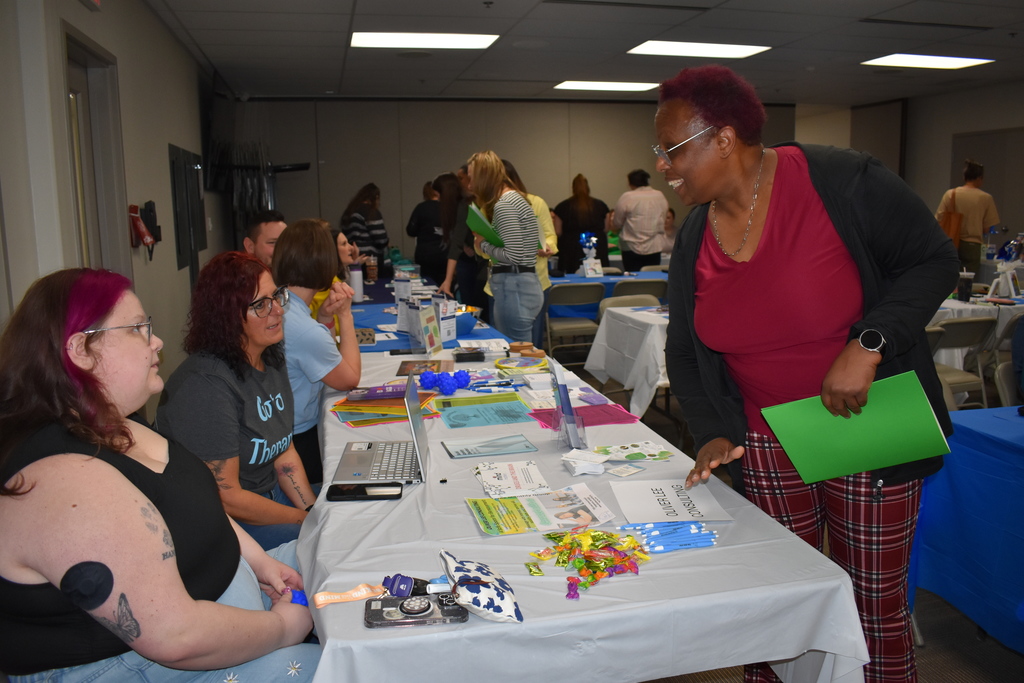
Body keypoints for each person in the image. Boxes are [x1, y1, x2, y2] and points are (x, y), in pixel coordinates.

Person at [656, 65, 959, 683]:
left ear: (723, 139)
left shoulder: (842, 180)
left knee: (872, 609)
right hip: (763, 440)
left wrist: (869, 343)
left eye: (672, 150)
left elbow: (932, 261)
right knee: (774, 605)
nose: (663, 165)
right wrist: (713, 430)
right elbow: (686, 350)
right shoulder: (695, 234)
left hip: (864, 425)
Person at [0, 268, 318, 680]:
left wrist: (260, 564)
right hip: (140, 664)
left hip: (223, 604)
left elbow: (196, 502)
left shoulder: (114, 422)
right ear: (80, 350)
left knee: (343, 555)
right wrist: (283, 628)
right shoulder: (65, 480)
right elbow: (175, 637)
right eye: (137, 329)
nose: (157, 342)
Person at [157, 252, 317, 550]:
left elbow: (284, 453)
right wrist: (305, 522)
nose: (278, 311)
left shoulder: (269, 355)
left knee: (352, 516)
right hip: (230, 524)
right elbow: (227, 495)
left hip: (270, 499)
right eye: (260, 305)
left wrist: (312, 511)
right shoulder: (205, 386)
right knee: (330, 544)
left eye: (277, 296)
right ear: (227, 316)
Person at [273, 219, 362, 485]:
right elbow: (349, 379)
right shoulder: (303, 329)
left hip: (282, 429)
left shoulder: (281, 304)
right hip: (297, 439)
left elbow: (308, 352)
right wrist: (345, 316)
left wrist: (324, 317)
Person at [467, 150, 544, 342]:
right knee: (520, 350)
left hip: (514, 286)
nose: (470, 186)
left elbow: (513, 255)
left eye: (471, 179)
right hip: (519, 284)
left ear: (483, 177)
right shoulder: (514, 199)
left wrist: (482, 244)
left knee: (518, 353)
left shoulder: (505, 204)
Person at [499, 159, 558, 350]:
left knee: (531, 347)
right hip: (499, 284)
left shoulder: (535, 202)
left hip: (534, 281)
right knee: (503, 345)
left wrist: (547, 247)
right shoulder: (489, 206)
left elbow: (550, 235)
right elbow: (482, 252)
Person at [437, 168, 489, 317]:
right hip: (478, 266)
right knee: (474, 307)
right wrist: (448, 279)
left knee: (483, 311)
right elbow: (457, 240)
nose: (461, 183)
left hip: (490, 267)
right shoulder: (466, 204)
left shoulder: (493, 203)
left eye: (463, 178)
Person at [935, 159, 1000, 274]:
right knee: (968, 281)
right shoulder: (986, 198)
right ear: (980, 178)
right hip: (972, 245)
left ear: (965, 177)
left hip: (950, 242)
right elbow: (986, 228)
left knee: (948, 276)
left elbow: (939, 219)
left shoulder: (951, 194)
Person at [611, 169, 669, 272]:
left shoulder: (628, 197)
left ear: (630, 183)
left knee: (633, 280)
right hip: (654, 246)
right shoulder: (660, 196)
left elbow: (617, 223)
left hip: (630, 246)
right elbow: (663, 217)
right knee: (652, 279)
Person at [553, 174, 611, 274]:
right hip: (596, 247)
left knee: (573, 277)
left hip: (571, 249)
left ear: (573, 188)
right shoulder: (601, 205)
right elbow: (606, 229)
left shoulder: (562, 207)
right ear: (588, 187)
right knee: (597, 275)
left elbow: (558, 231)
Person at [341, 183, 390, 277]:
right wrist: (387, 243)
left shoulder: (349, 212)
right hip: (371, 260)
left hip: (354, 258)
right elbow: (380, 239)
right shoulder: (371, 212)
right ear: (376, 197)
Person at [405, 180, 447, 285]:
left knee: (426, 285)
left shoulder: (421, 208)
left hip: (425, 254)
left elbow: (410, 231)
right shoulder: (447, 209)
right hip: (444, 254)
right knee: (443, 285)